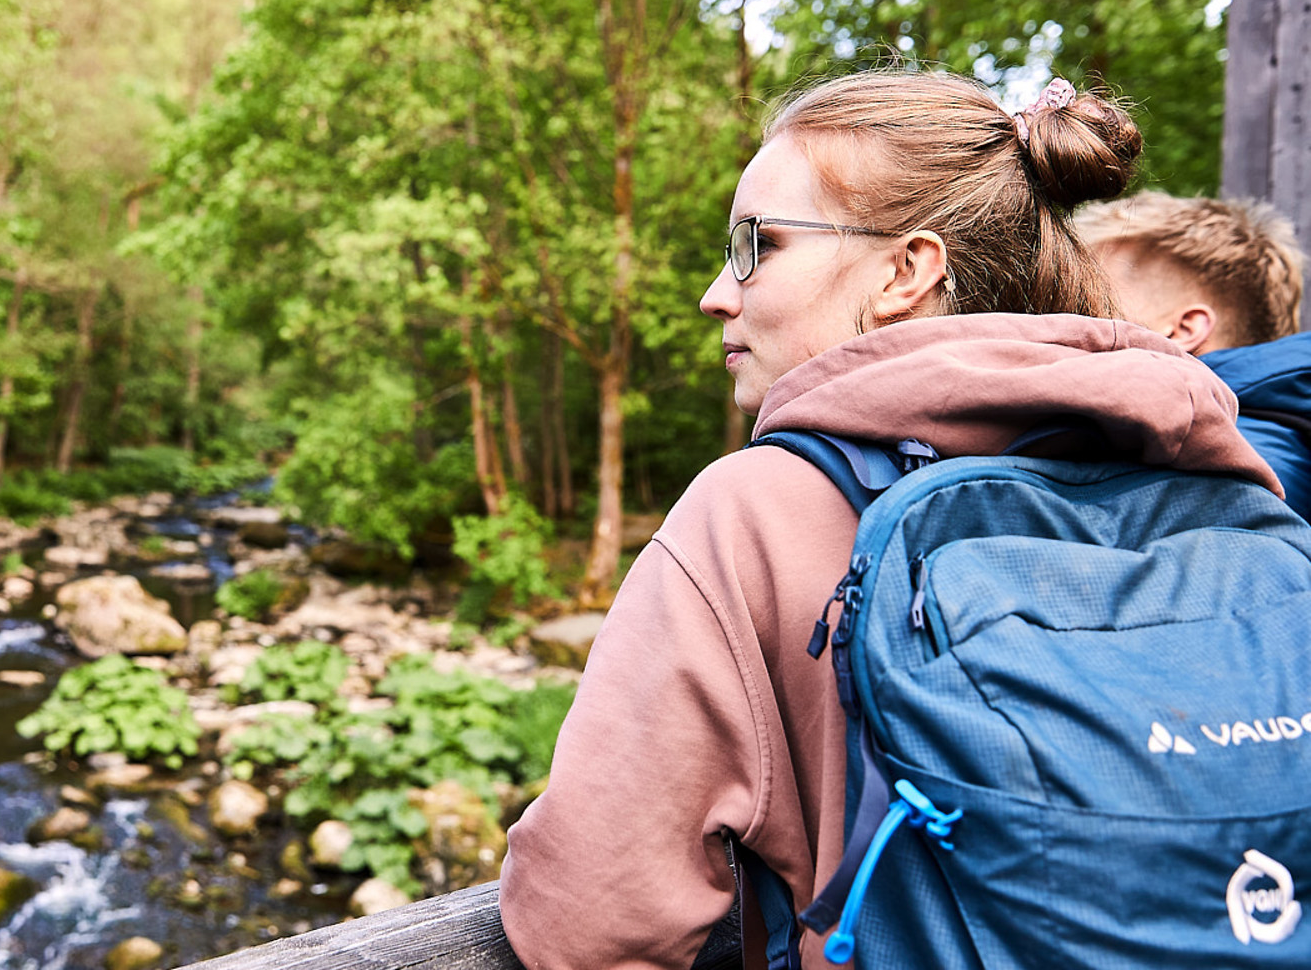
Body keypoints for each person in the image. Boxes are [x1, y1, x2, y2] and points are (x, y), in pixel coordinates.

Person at [496, 72, 1280, 970]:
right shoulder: (1215, 476)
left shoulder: (753, 512)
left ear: (909, 269)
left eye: (756, 245)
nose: (718, 292)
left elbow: (591, 925)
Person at [1075, 191, 1311, 518]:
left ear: (1183, 330)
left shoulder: (1225, 468)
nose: (1064, 322)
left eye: (1089, 306)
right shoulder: (1261, 444)